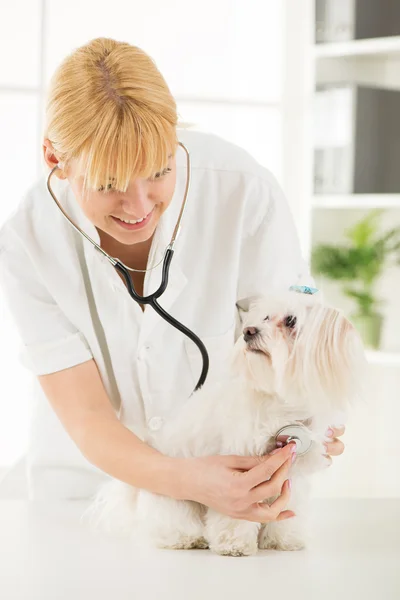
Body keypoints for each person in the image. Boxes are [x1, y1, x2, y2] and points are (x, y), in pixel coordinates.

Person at [0, 37, 345, 518]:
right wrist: (187, 480)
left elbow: (296, 328)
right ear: (55, 158)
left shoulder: (242, 189)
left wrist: (314, 422)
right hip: (85, 492)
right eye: (108, 185)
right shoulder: (27, 239)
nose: (139, 207)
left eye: (158, 171)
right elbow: (86, 414)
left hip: (236, 478)